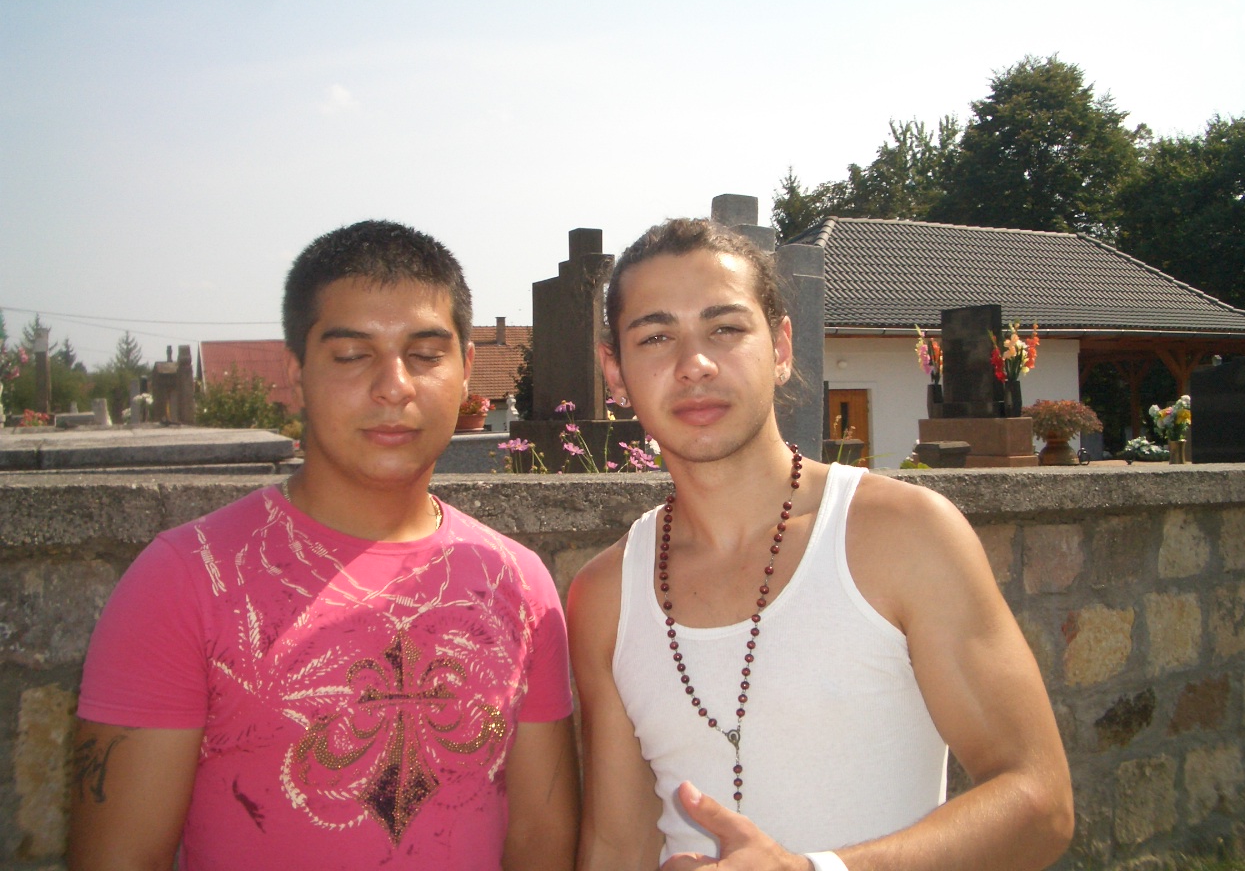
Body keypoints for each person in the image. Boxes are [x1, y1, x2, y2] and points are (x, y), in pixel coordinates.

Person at [69, 221, 579, 871]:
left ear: (466, 371)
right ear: (297, 373)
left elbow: (540, 840)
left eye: (426, 354)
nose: (394, 385)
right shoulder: (184, 582)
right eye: (352, 355)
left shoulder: (518, 584)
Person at [568, 218, 1073, 871]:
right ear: (615, 371)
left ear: (781, 348)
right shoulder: (607, 594)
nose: (695, 364)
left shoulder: (903, 536)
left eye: (726, 329)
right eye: (656, 337)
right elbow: (618, 846)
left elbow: (1039, 804)